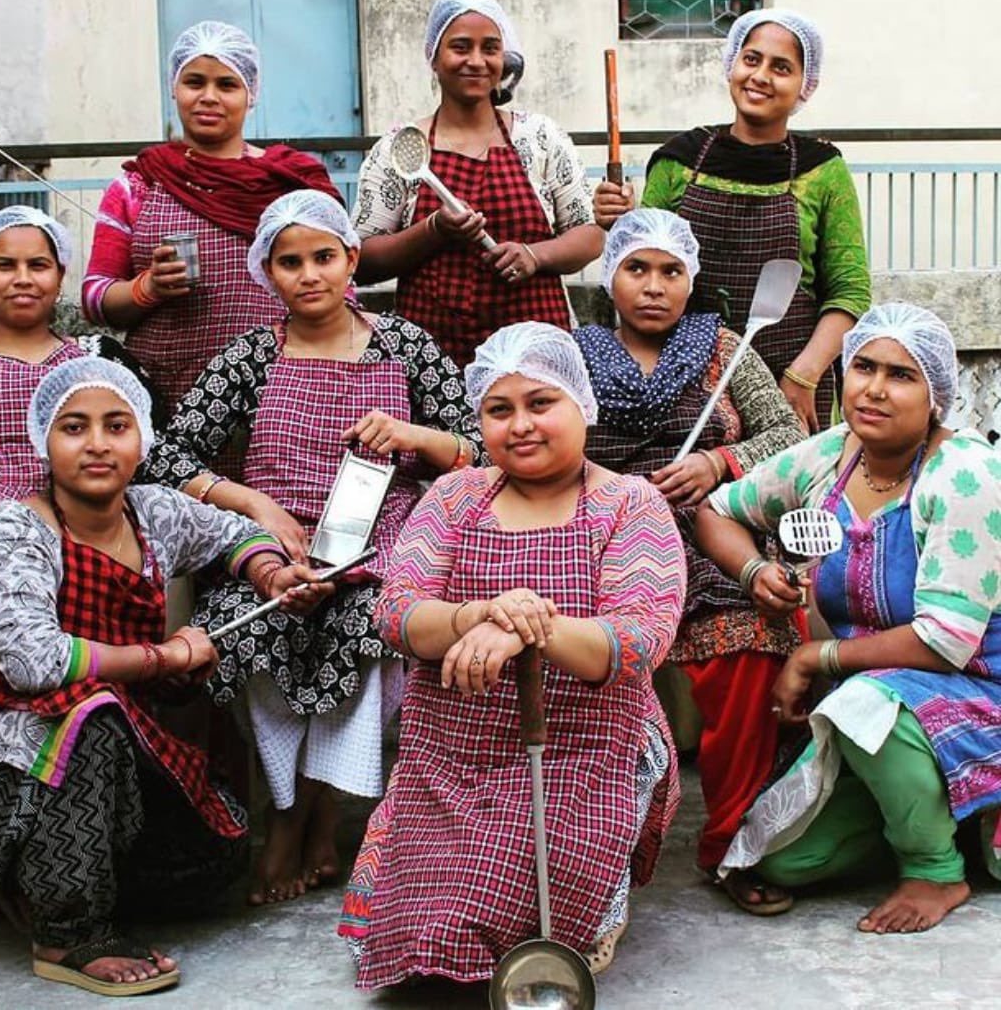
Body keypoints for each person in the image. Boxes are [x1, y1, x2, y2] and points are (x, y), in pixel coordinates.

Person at [0, 357, 330, 995]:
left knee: (210, 857)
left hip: (81, 741)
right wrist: (164, 658)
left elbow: (233, 534)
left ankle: (22, 879)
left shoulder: (153, 512)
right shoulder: (13, 528)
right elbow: (36, 663)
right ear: (42, 442)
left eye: (116, 426)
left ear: (141, 438)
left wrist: (273, 574)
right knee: (94, 716)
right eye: (73, 427)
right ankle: (69, 933)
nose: (97, 444)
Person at [143, 190, 483, 906]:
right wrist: (253, 503)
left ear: (352, 259)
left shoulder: (407, 346)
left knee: (369, 623)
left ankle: (318, 814)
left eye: (324, 256)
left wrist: (417, 438)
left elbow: (478, 453)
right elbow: (168, 458)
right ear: (266, 271)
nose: (309, 274)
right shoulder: (249, 356)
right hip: (275, 543)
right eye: (289, 261)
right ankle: (289, 809)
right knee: (253, 623)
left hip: (383, 542)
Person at [338, 321, 686, 985]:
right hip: (452, 752)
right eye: (499, 410)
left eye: (540, 403)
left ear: (582, 405)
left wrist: (528, 627)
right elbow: (396, 615)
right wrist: (481, 613)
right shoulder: (454, 495)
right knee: (426, 931)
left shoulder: (627, 505)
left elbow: (638, 642)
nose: (520, 425)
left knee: (526, 908)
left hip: (587, 752)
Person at [695, 303, 1001, 934]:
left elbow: (944, 641)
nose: (875, 388)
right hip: (879, 703)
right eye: (863, 366)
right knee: (784, 863)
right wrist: (756, 573)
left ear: (936, 395)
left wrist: (813, 656)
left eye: (901, 375)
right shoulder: (832, 456)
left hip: (979, 685)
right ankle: (939, 810)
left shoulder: (965, 476)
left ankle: (936, 869)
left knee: (863, 705)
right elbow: (716, 510)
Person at [573, 208, 805, 912]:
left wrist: (720, 459)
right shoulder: (570, 351)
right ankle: (585, 850)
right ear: (609, 275)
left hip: (710, 537)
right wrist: (607, 488)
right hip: (600, 542)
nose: (653, 286)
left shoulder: (727, 347)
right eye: (636, 268)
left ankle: (731, 843)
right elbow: (523, 438)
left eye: (671, 271)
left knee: (747, 642)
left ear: (691, 280)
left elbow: (789, 431)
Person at [595, 8, 871, 432]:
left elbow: (849, 292)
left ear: (804, 85)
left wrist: (804, 375)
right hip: (688, 379)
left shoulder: (823, 170)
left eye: (781, 68)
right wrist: (621, 223)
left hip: (791, 376)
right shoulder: (679, 160)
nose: (761, 76)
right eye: (751, 59)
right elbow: (648, 262)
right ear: (731, 66)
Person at [83, 20, 342, 415]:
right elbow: (94, 297)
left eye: (226, 85)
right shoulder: (139, 186)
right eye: (194, 82)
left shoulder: (291, 184)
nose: (208, 97)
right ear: (174, 87)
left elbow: (341, 289)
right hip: (167, 396)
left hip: (281, 391)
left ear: (251, 93)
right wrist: (147, 288)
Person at [0, 205, 159, 627]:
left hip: (75, 514)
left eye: (38, 265)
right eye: (5, 265)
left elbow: (148, 443)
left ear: (60, 277)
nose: (23, 278)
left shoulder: (99, 360)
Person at [352, 0, 603, 367]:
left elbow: (588, 235)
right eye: (460, 47)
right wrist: (433, 230)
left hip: (534, 348)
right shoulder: (398, 149)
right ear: (434, 58)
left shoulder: (540, 138)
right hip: (432, 356)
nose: (476, 61)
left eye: (490, 48)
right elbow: (363, 259)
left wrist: (535, 255)